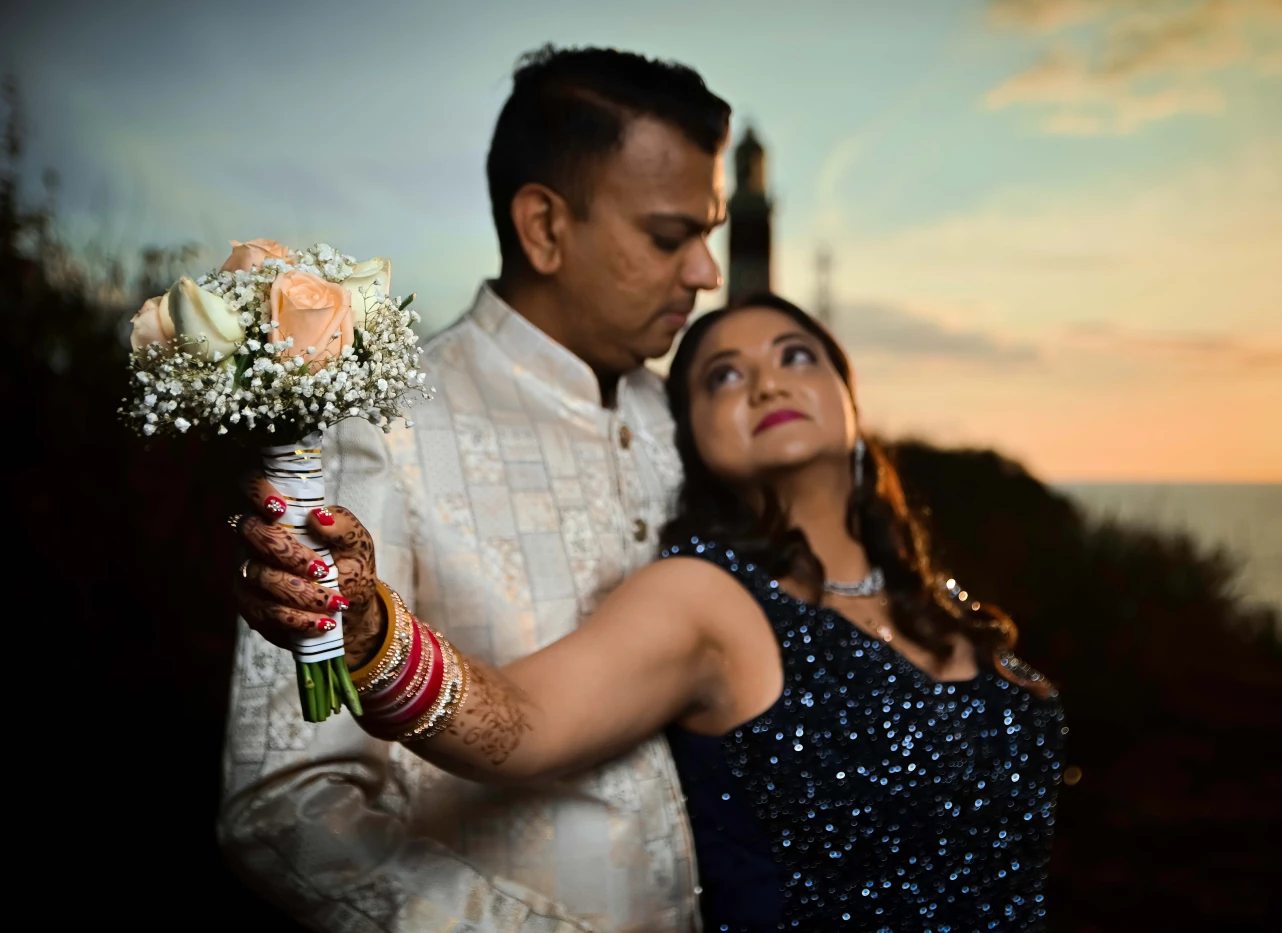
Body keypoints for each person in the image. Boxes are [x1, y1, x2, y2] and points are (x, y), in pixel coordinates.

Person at [236, 292, 1067, 932]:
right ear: (690, 441)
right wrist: (374, 632)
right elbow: (518, 721)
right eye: (723, 375)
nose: (767, 380)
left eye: (796, 355)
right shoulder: (707, 599)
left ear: (850, 402)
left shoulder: (944, 605)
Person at [221, 45, 729, 932]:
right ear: (544, 227)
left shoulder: (685, 419)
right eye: (668, 236)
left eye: (709, 234)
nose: (705, 273)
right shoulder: (374, 428)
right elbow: (287, 805)